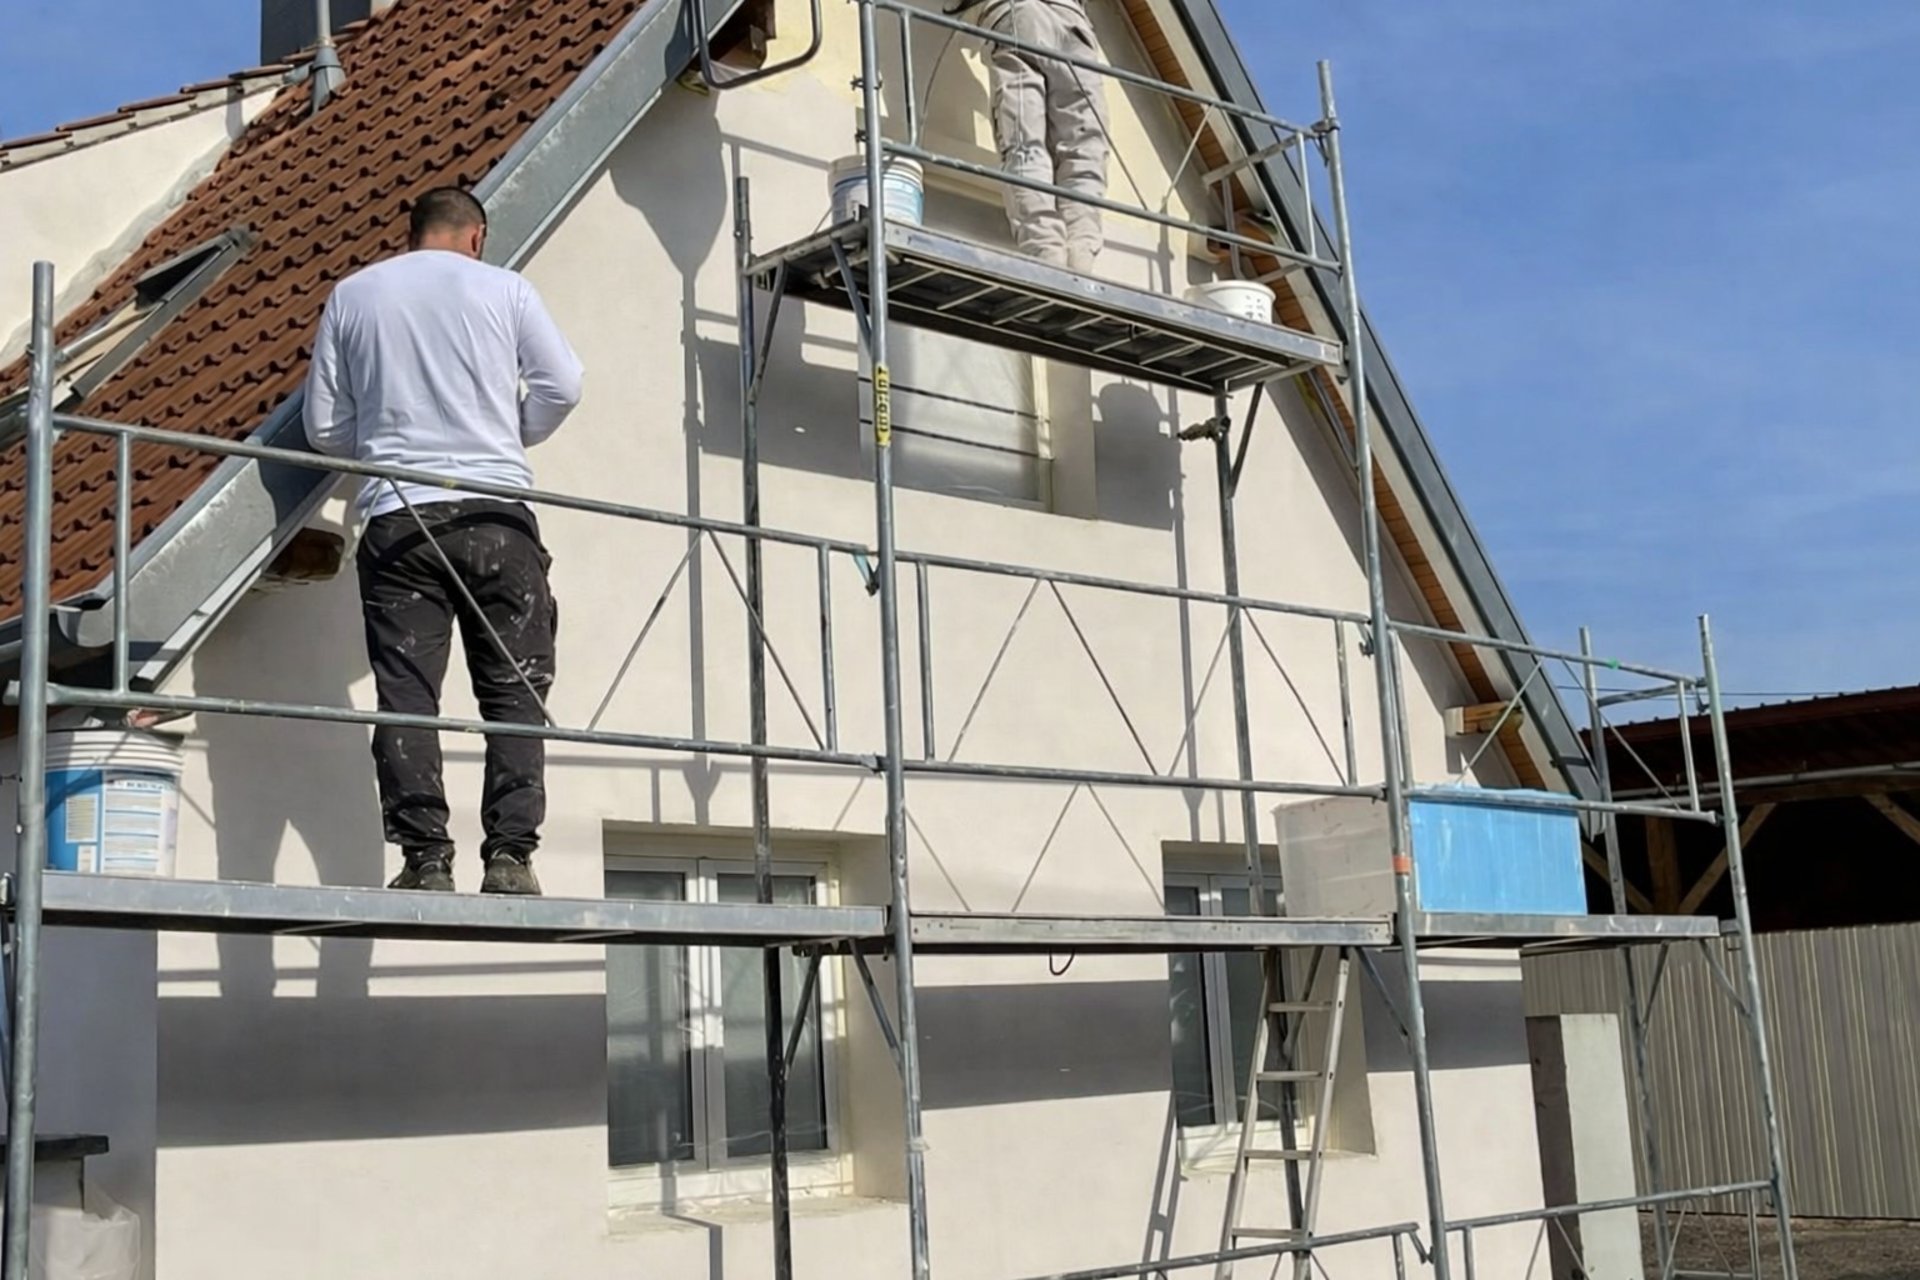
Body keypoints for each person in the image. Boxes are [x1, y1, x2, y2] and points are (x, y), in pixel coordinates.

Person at [304, 187, 583, 896]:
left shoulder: (354, 295)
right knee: (515, 694)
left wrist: (385, 443)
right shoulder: (506, 290)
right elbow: (564, 385)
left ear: (415, 231)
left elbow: (324, 429)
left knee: (407, 694)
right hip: (496, 519)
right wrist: (503, 437)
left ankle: (426, 859)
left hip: (399, 518)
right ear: (476, 236)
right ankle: (511, 859)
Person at [952, 0, 1111, 272]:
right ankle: (1076, 260)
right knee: (1085, 149)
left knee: (1027, 145)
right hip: (1068, 19)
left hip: (1023, 12)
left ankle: (1049, 253)